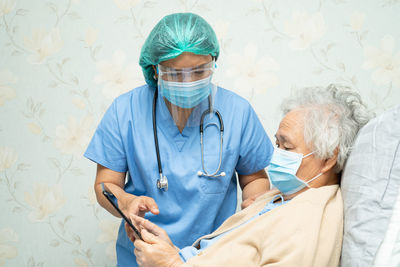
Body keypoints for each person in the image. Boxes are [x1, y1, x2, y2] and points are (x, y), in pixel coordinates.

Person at [84, 13, 273, 266]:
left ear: (213, 62)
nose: (188, 82)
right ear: (155, 69)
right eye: (174, 74)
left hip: (214, 256)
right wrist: (126, 202)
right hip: (142, 255)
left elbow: (255, 178)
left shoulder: (237, 111)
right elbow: (105, 184)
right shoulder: (125, 110)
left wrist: (253, 205)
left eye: (198, 71)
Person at [127, 84, 372, 267]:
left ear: (328, 159)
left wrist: (171, 264)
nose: (275, 155)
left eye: (287, 148)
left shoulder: (309, 219)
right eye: (277, 145)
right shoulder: (284, 198)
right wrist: (173, 252)